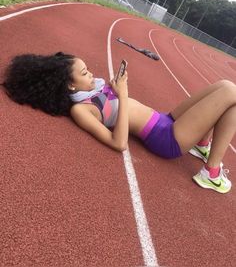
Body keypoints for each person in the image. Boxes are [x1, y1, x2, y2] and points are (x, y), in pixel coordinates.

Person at [2, 52, 236, 194]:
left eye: (88, 70)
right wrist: (122, 94)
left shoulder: (91, 90)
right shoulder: (81, 110)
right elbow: (119, 142)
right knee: (229, 91)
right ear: (70, 85)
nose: (91, 74)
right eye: (84, 74)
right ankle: (210, 174)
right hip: (168, 138)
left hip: (166, 119)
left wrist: (115, 88)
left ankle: (202, 144)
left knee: (225, 86)